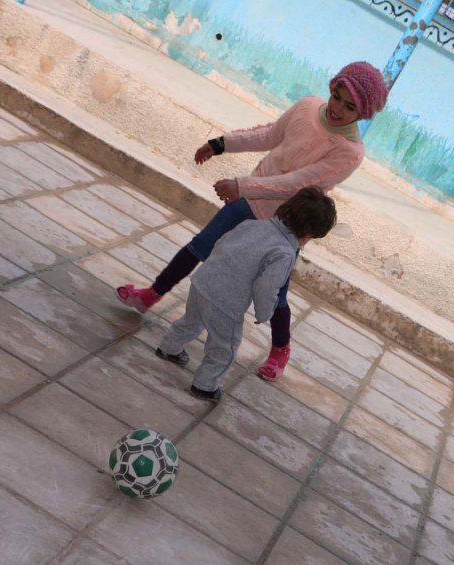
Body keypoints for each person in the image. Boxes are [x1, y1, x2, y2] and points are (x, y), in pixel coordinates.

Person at [118, 61, 388, 381]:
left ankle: (280, 350)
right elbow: (269, 135)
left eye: (349, 106)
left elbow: (297, 184)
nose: (337, 108)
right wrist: (222, 144)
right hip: (248, 202)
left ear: (364, 112)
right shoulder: (306, 107)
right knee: (200, 246)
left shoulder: (350, 152)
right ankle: (151, 295)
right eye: (336, 95)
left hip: (285, 226)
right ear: (331, 87)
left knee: (275, 291)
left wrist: (242, 186)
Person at [155, 187, 337, 402]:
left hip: (203, 281)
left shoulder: (254, 224)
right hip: (226, 303)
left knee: (192, 320)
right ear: (308, 234)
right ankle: (204, 385)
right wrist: (264, 312)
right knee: (225, 346)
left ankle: (169, 347)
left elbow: (222, 243)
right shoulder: (284, 252)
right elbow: (267, 287)